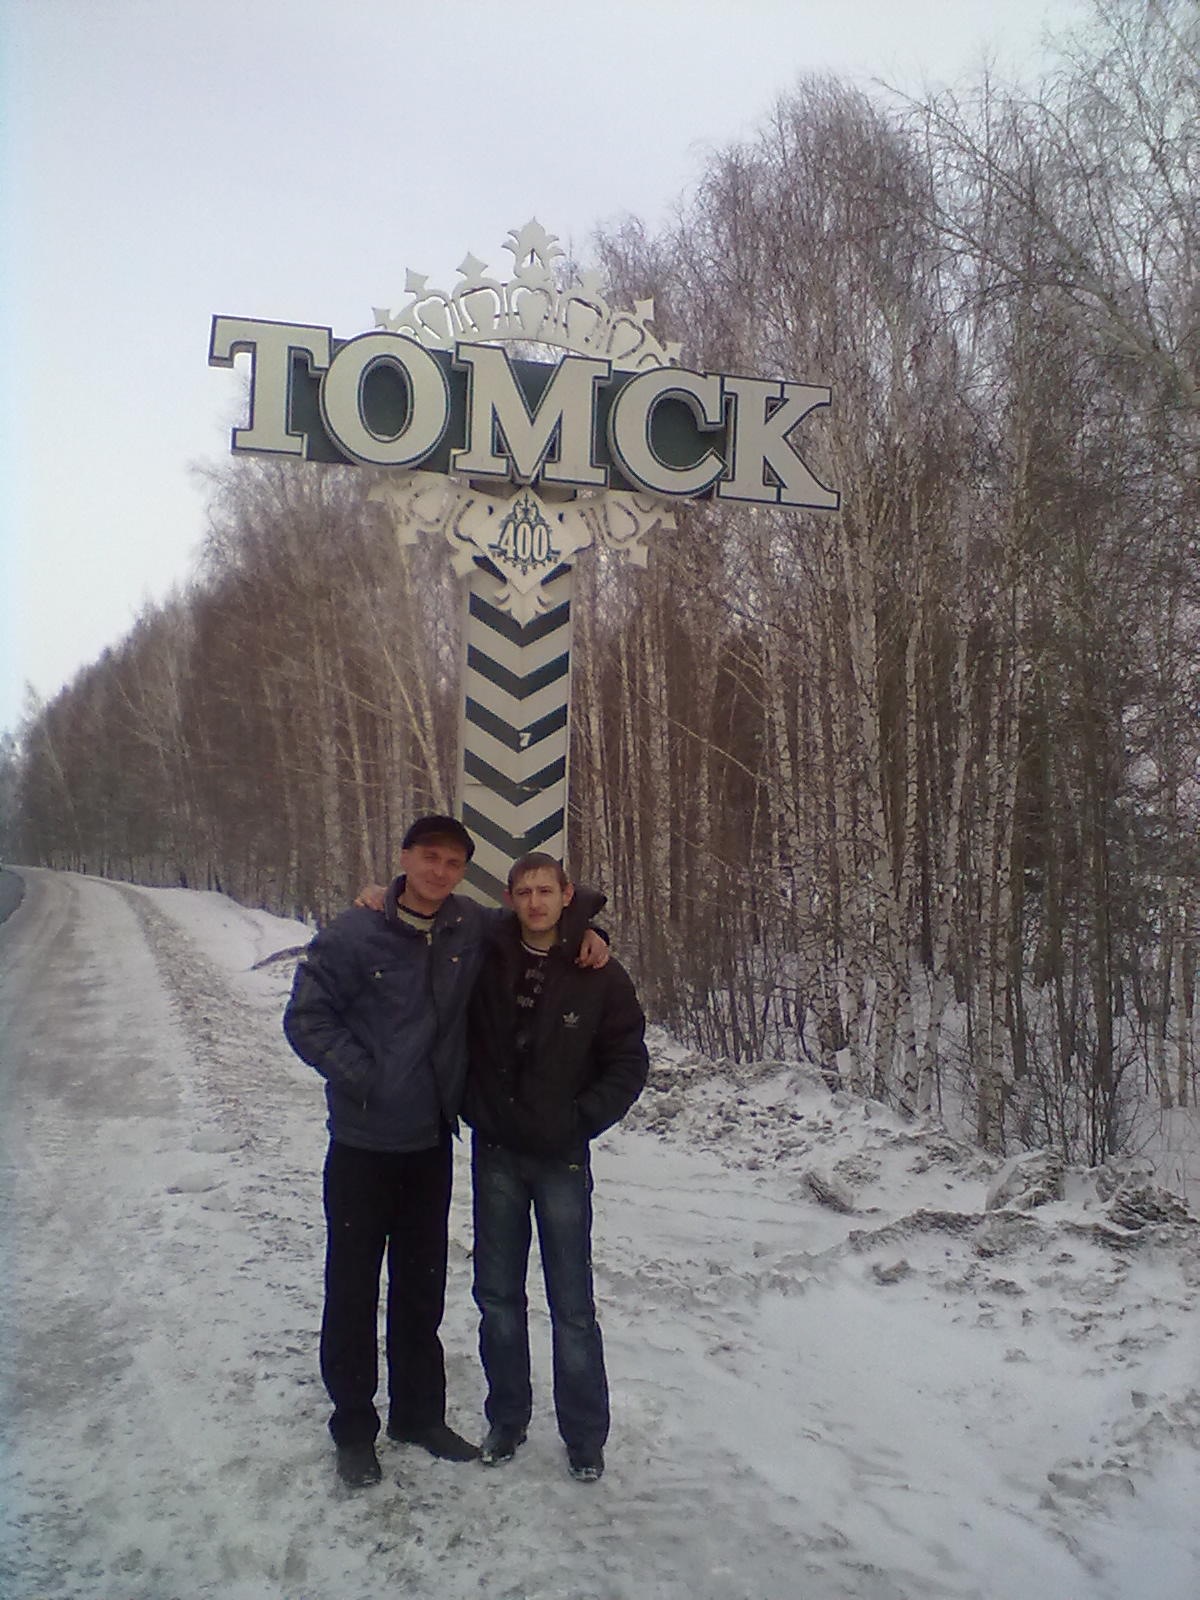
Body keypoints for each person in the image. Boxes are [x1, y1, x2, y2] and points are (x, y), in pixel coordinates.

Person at [281, 816, 607, 1491]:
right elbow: (307, 1018)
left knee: (420, 1288)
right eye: (429, 857)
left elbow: (537, 919)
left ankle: (417, 1416)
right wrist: (366, 1077)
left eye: (453, 862)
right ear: (404, 858)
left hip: (430, 1145)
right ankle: (354, 1430)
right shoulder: (353, 933)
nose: (439, 871)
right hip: (363, 1144)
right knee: (352, 1290)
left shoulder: (466, 926)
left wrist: (592, 932)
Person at [463, 852, 648, 1483]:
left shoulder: (598, 972)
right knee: (497, 1297)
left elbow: (628, 1061)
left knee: (571, 1305)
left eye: (546, 890)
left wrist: (580, 1119)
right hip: (496, 1151)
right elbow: (430, 923)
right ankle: (508, 1419)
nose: (535, 902)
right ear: (509, 898)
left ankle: (585, 1437)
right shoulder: (486, 953)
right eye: (524, 892)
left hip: (562, 1157)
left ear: (567, 895)